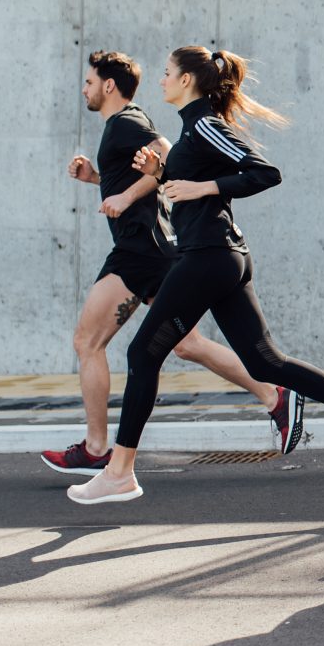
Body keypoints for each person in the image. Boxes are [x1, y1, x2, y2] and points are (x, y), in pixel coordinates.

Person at [63, 46, 324, 505]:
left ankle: (120, 471)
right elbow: (190, 181)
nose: (160, 80)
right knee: (265, 362)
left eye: (166, 73)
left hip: (209, 256)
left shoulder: (204, 124)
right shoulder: (190, 129)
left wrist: (201, 186)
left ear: (186, 82)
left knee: (144, 355)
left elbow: (264, 172)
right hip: (218, 256)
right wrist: (160, 174)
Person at [43, 51, 295, 477]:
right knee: (187, 344)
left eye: (88, 83)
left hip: (139, 251)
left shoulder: (128, 121)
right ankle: (275, 397)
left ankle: (97, 447)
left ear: (108, 86)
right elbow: (153, 169)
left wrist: (124, 197)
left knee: (88, 342)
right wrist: (98, 180)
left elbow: (164, 153)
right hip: (155, 249)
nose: (83, 90)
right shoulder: (120, 126)